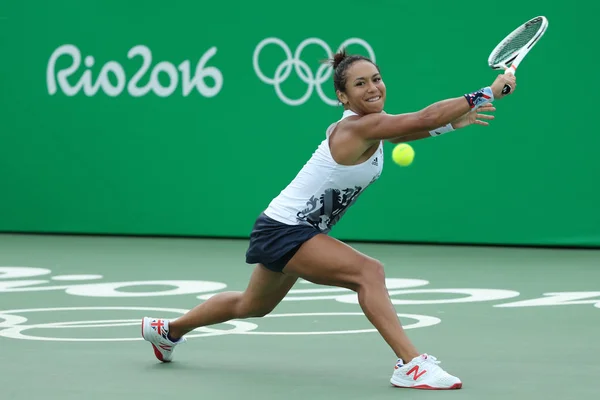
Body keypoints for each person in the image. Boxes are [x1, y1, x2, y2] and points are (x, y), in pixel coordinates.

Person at [141, 49, 516, 390]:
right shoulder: (356, 127)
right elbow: (420, 118)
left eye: (376, 78)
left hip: (284, 226)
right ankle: (411, 364)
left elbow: (414, 128)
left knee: (252, 306)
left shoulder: (372, 126)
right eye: (360, 83)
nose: (373, 87)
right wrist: (486, 93)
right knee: (368, 273)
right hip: (286, 228)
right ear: (343, 97)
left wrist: (451, 124)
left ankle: (168, 331)